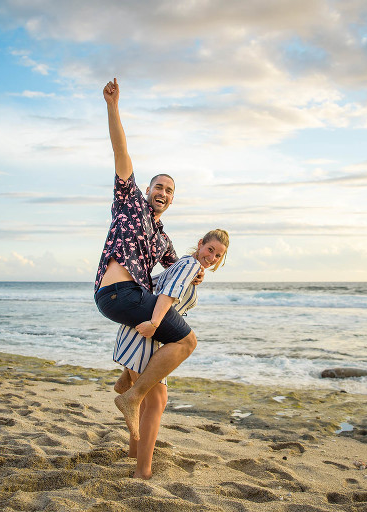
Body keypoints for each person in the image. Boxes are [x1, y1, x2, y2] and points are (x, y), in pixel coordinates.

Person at [94, 77, 203, 442]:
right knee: (186, 343)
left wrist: (198, 273)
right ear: (148, 189)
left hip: (122, 299)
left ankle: (126, 380)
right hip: (118, 292)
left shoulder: (163, 238)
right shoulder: (129, 201)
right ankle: (131, 396)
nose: (163, 193)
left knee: (165, 334)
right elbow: (120, 149)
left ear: (172, 200)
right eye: (159, 186)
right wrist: (113, 106)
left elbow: (178, 270)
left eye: (169, 191)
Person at [113, 229, 229, 479]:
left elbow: (149, 286)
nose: (212, 258)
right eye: (210, 250)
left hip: (141, 334)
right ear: (200, 244)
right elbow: (165, 296)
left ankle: (135, 456)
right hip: (146, 334)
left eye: (218, 256)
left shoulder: (186, 266)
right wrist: (154, 324)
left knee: (146, 402)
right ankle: (142, 471)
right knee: (156, 401)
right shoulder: (188, 265)